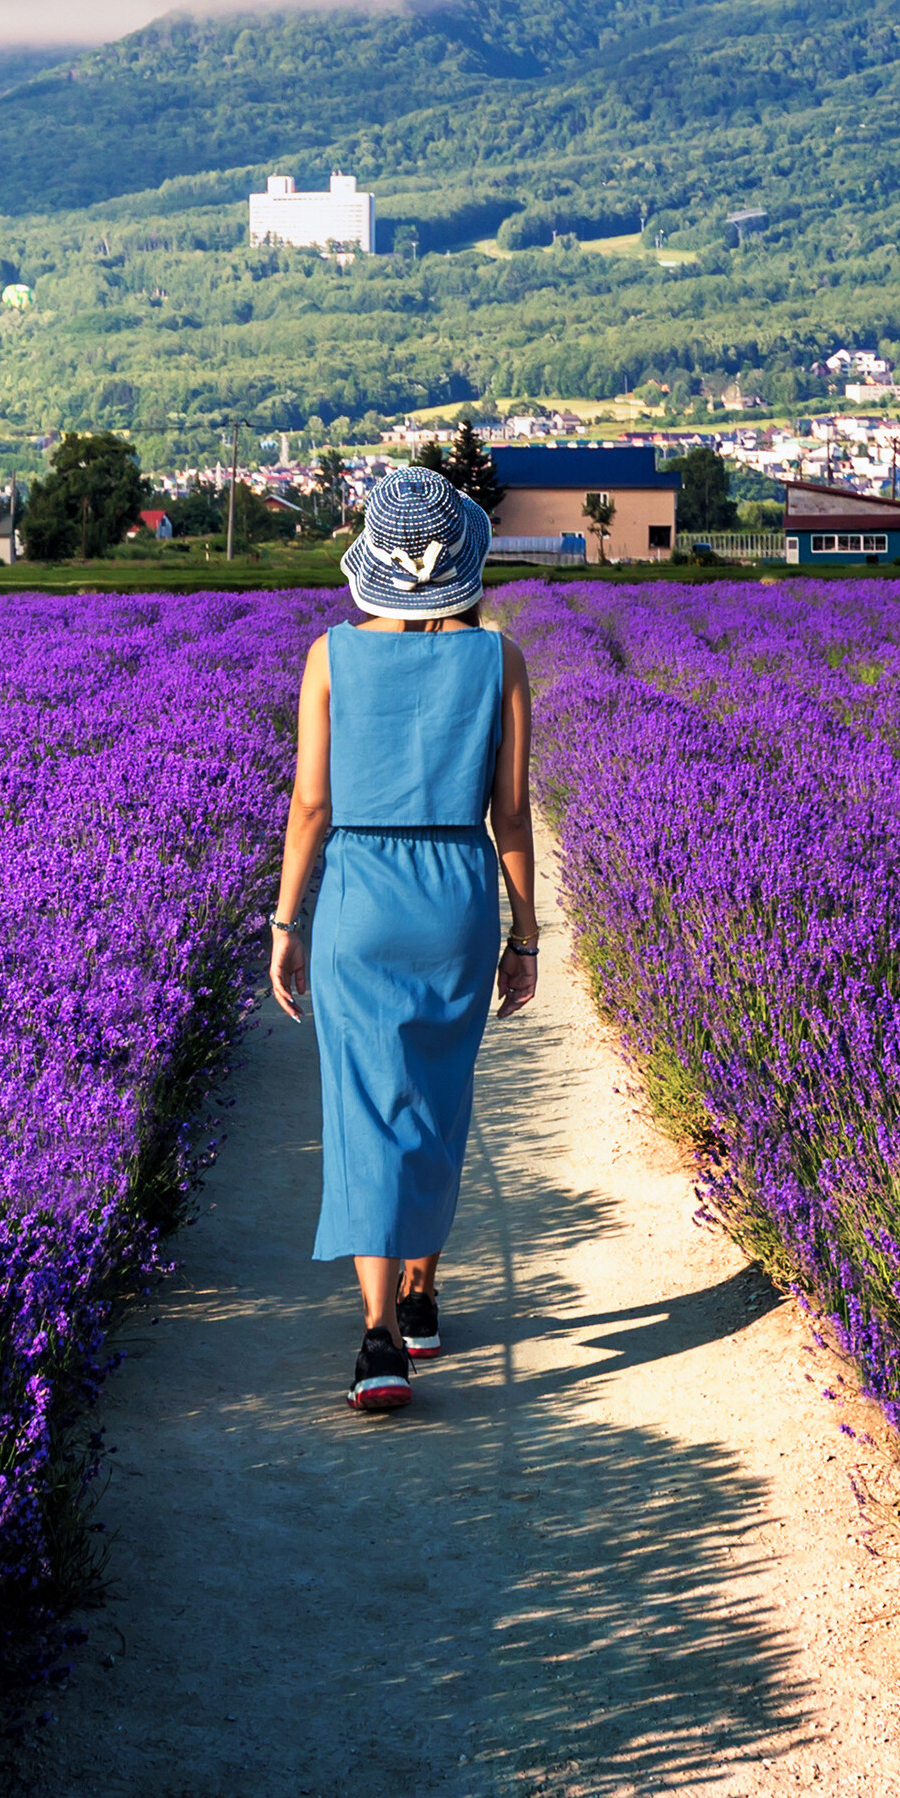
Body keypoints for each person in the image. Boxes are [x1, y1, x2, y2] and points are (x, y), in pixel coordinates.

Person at [269, 465, 539, 1413]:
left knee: (364, 1107)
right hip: (455, 894)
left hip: (359, 894)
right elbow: (511, 818)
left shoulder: (330, 657)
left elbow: (311, 804)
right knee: (438, 1094)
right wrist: (526, 937)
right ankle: (425, 1298)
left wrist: (286, 922)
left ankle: (379, 1338)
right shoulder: (498, 661)